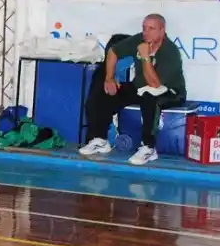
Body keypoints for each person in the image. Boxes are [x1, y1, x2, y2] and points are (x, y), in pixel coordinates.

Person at [79, 13, 186, 166]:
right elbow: (113, 52)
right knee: (106, 91)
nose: (146, 32)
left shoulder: (170, 52)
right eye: (144, 28)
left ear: (162, 31)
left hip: (170, 92)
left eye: (151, 28)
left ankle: (149, 148)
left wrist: (145, 57)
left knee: (151, 97)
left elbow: (155, 84)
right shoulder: (140, 40)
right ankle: (100, 139)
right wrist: (110, 78)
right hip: (142, 88)